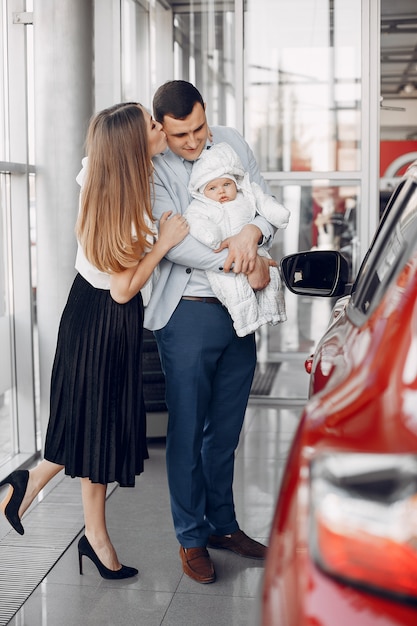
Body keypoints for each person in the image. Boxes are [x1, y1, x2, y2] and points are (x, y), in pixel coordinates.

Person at [0, 102, 189, 579]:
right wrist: (164, 242)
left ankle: (45, 497)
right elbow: (124, 289)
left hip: (88, 311)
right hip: (106, 319)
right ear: (133, 145)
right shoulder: (128, 208)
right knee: (99, 431)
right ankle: (89, 534)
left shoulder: (105, 178)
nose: (159, 126)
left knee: (92, 429)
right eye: (151, 123)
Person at [144, 80, 289, 584]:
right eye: (180, 133)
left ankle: (222, 526)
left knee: (225, 429)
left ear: (208, 115)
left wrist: (253, 233)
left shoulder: (231, 141)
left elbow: (262, 203)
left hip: (239, 310)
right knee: (187, 428)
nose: (192, 141)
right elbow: (173, 240)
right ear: (161, 126)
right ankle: (190, 537)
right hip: (186, 310)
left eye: (199, 128)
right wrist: (240, 262)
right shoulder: (155, 161)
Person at [185, 141, 290, 337]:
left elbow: (265, 203)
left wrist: (276, 214)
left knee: (272, 276)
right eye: (213, 188)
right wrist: (210, 235)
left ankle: (274, 311)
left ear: (236, 183)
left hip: (256, 250)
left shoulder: (247, 195)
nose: (222, 191)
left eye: (226, 184)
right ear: (202, 192)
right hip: (225, 260)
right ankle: (247, 322)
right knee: (234, 290)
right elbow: (195, 220)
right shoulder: (203, 206)